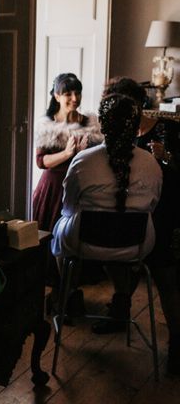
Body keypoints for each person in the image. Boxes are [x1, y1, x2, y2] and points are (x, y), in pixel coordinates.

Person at [51, 94, 162, 341]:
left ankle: (70, 296)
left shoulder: (83, 161)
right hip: (136, 245)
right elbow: (153, 204)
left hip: (84, 243)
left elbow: (67, 208)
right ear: (136, 127)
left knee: (60, 228)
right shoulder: (151, 164)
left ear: (102, 124)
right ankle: (122, 303)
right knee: (120, 237)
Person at [97, 77, 180, 374]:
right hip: (129, 209)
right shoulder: (117, 134)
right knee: (113, 251)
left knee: (165, 275)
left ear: (138, 105)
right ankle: (121, 307)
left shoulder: (167, 129)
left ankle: (176, 344)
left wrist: (167, 157)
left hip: (165, 209)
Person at [32, 73, 103, 312]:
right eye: (67, 93)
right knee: (52, 238)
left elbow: (99, 157)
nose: (74, 98)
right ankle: (58, 294)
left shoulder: (90, 123)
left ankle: (70, 292)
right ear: (56, 96)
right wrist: (68, 153)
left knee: (76, 239)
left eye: (77, 92)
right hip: (52, 189)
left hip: (81, 185)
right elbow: (41, 162)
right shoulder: (47, 123)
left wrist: (85, 153)